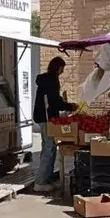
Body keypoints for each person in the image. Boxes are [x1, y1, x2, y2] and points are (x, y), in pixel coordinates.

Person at [33, 57, 77, 193]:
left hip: (42, 116)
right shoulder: (52, 80)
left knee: (47, 147)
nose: (63, 72)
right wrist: (69, 106)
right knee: (49, 148)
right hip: (47, 118)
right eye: (62, 69)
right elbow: (54, 101)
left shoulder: (45, 79)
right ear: (57, 68)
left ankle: (46, 178)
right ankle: (40, 182)